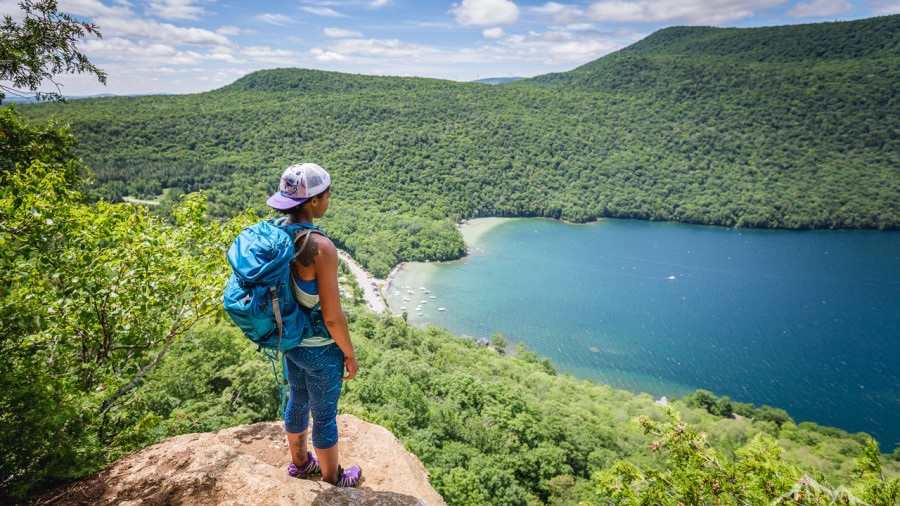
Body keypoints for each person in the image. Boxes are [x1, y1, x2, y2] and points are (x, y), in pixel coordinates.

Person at [266, 162, 362, 487]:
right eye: (327, 194)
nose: (329, 199)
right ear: (313, 202)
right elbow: (333, 317)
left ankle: (299, 464)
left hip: (290, 342)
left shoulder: (277, 232)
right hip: (321, 351)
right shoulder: (320, 248)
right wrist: (349, 353)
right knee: (323, 416)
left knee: (298, 399)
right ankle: (334, 480)